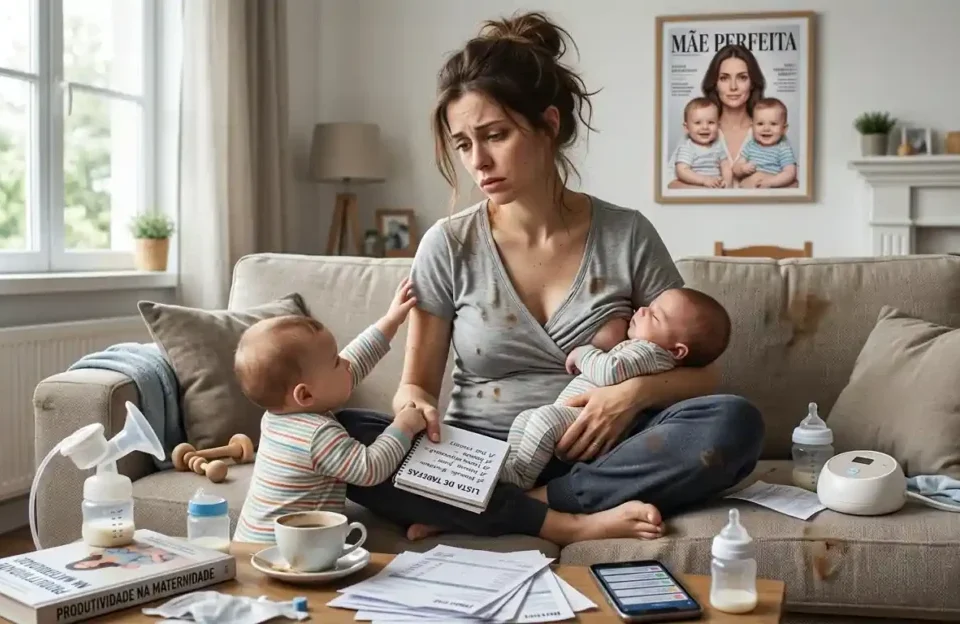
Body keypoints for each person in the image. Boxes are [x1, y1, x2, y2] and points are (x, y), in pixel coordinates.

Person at [339, 10, 764, 546]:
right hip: (476, 460)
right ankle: (562, 522)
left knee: (734, 423)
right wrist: (410, 409)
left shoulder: (626, 234)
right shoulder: (447, 245)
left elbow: (702, 375)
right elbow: (416, 386)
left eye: (495, 135)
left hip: (601, 452)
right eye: (463, 143)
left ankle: (519, 509)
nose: (478, 161)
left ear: (549, 125)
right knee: (335, 433)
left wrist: (628, 397)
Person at [231, 279, 428, 543]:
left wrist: (391, 321)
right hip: (288, 552)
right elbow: (369, 468)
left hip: (249, 543)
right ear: (305, 394)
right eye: (336, 361)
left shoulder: (277, 417)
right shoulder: (318, 436)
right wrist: (403, 426)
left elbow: (353, 363)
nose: (345, 362)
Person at [495, 287, 731, 492]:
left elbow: (611, 370)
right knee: (528, 418)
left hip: (585, 421)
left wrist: (584, 354)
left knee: (543, 420)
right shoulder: (646, 348)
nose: (642, 310)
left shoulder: (651, 353)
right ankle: (514, 466)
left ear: (677, 351)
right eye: (649, 305)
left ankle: (521, 479)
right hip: (575, 416)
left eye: (655, 317)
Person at [666, 44, 766, 190]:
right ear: (715, 84)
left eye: (742, 77)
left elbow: (799, 183)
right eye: (724, 78)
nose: (733, 87)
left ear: (752, 83)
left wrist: (764, 182)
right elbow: (669, 184)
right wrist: (710, 190)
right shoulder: (696, 131)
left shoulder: (768, 129)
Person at [732, 97, 797, 188]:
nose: (766, 129)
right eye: (760, 124)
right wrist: (742, 168)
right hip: (747, 191)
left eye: (773, 124)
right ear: (752, 126)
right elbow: (735, 168)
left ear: (784, 129)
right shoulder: (751, 145)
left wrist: (771, 182)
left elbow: (790, 173)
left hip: (769, 192)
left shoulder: (783, 148)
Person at [672, 98, 731, 188]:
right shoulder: (687, 148)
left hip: (716, 189)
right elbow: (682, 171)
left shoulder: (718, 146)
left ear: (718, 126)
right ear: (686, 127)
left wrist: (727, 182)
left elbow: (726, 166)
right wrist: (704, 180)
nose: (705, 127)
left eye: (711, 122)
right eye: (698, 123)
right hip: (696, 188)